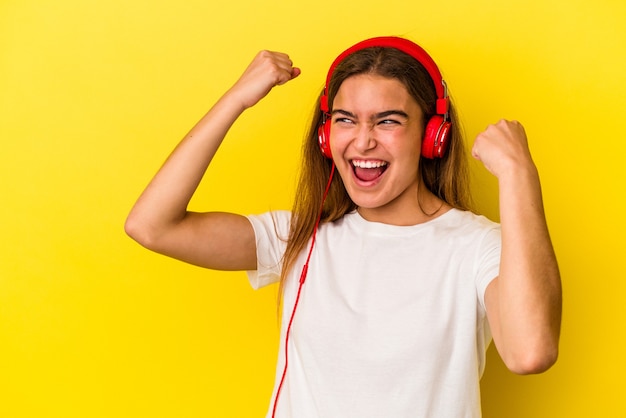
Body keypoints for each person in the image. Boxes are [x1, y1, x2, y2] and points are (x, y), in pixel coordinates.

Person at [125, 36, 562, 418]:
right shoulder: (300, 238)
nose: (362, 140)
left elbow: (530, 352)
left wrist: (519, 174)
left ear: (433, 136)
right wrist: (237, 98)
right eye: (345, 119)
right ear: (325, 135)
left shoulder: (476, 246)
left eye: (388, 120)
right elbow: (151, 225)